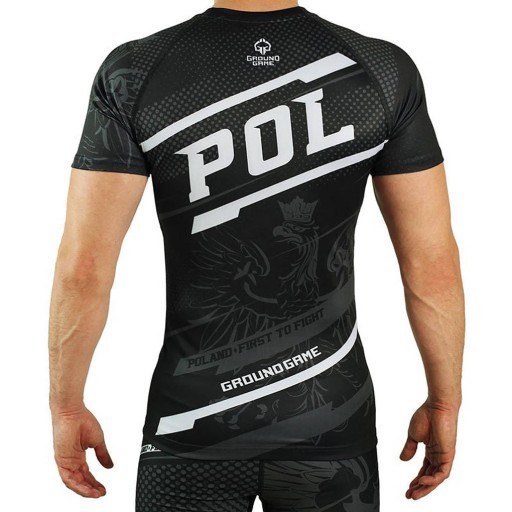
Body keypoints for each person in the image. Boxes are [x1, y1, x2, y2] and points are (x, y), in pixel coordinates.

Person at [48, 0, 465, 510]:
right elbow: (431, 266)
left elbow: (84, 269)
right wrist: (444, 402)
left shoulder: (135, 72)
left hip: (191, 422)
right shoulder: (379, 69)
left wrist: (66, 409)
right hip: (332, 417)